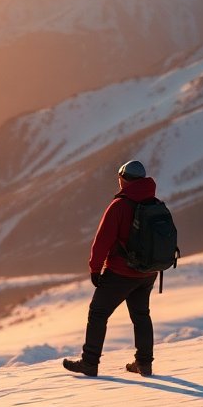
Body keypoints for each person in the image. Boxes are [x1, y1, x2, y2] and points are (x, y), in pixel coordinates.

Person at [64, 160, 159, 378]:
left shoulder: (120, 206)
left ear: (123, 180)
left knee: (98, 313)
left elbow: (102, 241)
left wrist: (95, 269)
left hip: (121, 272)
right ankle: (144, 364)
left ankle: (89, 363)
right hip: (147, 273)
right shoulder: (153, 203)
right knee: (141, 315)